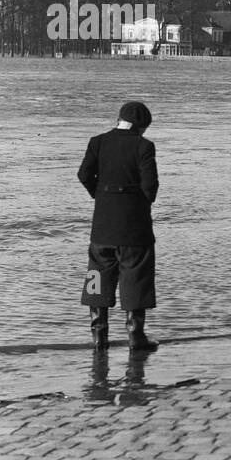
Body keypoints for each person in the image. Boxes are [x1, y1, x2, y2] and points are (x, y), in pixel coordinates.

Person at [78, 101, 159, 352]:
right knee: (137, 278)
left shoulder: (97, 141)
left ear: (119, 119)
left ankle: (98, 337)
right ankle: (136, 337)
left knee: (96, 277)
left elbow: (83, 175)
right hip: (135, 227)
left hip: (101, 226)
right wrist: (138, 203)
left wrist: (100, 196)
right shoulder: (144, 146)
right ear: (141, 126)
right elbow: (150, 187)